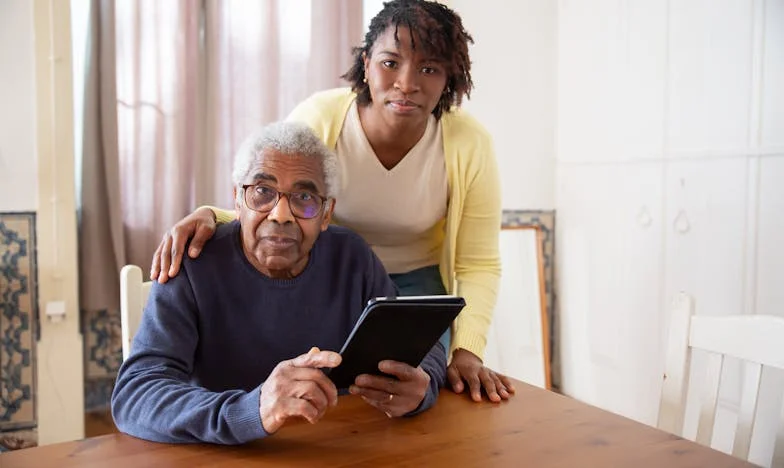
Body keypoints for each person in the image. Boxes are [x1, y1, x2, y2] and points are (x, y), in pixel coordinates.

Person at [149, 0, 514, 403]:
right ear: (366, 63)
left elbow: (477, 263)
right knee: (328, 389)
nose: (406, 83)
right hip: (335, 276)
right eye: (390, 63)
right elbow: (276, 192)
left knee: (415, 393)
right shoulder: (323, 116)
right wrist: (211, 215)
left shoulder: (470, 143)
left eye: (429, 69)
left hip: (416, 285)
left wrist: (467, 352)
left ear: (450, 78)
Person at [112, 122, 446, 445]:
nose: (281, 214)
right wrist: (252, 410)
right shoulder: (192, 262)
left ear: (326, 213)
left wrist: (422, 387)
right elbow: (136, 395)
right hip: (226, 454)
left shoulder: (352, 257)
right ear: (237, 200)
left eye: (304, 196)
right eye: (262, 192)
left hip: (338, 446)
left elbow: (422, 345)